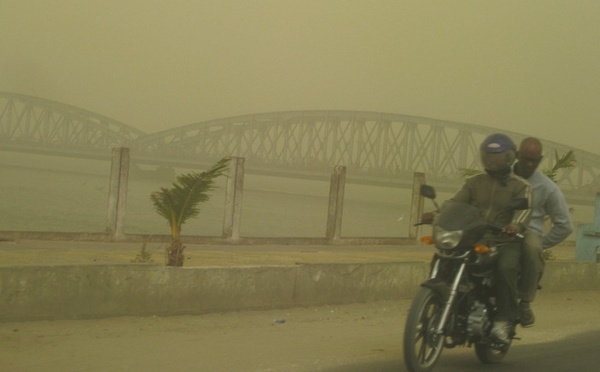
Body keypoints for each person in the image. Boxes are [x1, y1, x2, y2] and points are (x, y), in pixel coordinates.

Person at [450, 133, 532, 343]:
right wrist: (439, 213)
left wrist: (514, 226)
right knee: (448, 255)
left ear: (509, 158)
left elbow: (524, 211)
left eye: (498, 157)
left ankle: (504, 320)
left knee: (506, 268)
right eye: (489, 156)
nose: (493, 161)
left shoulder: (520, 186)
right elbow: (456, 203)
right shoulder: (473, 183)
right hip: (474, 237)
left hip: (503, 240)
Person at [514, 137, 573, 327]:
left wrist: (543, 243)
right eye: (525, 159)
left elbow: (565, 225)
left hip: (527, 233)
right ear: (516, 156)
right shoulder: (502, 175)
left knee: (532, 248)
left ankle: (524, 303)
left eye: (534, 160)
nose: (530, 164)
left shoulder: (548, 188)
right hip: (498, 229)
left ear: (540, 160)